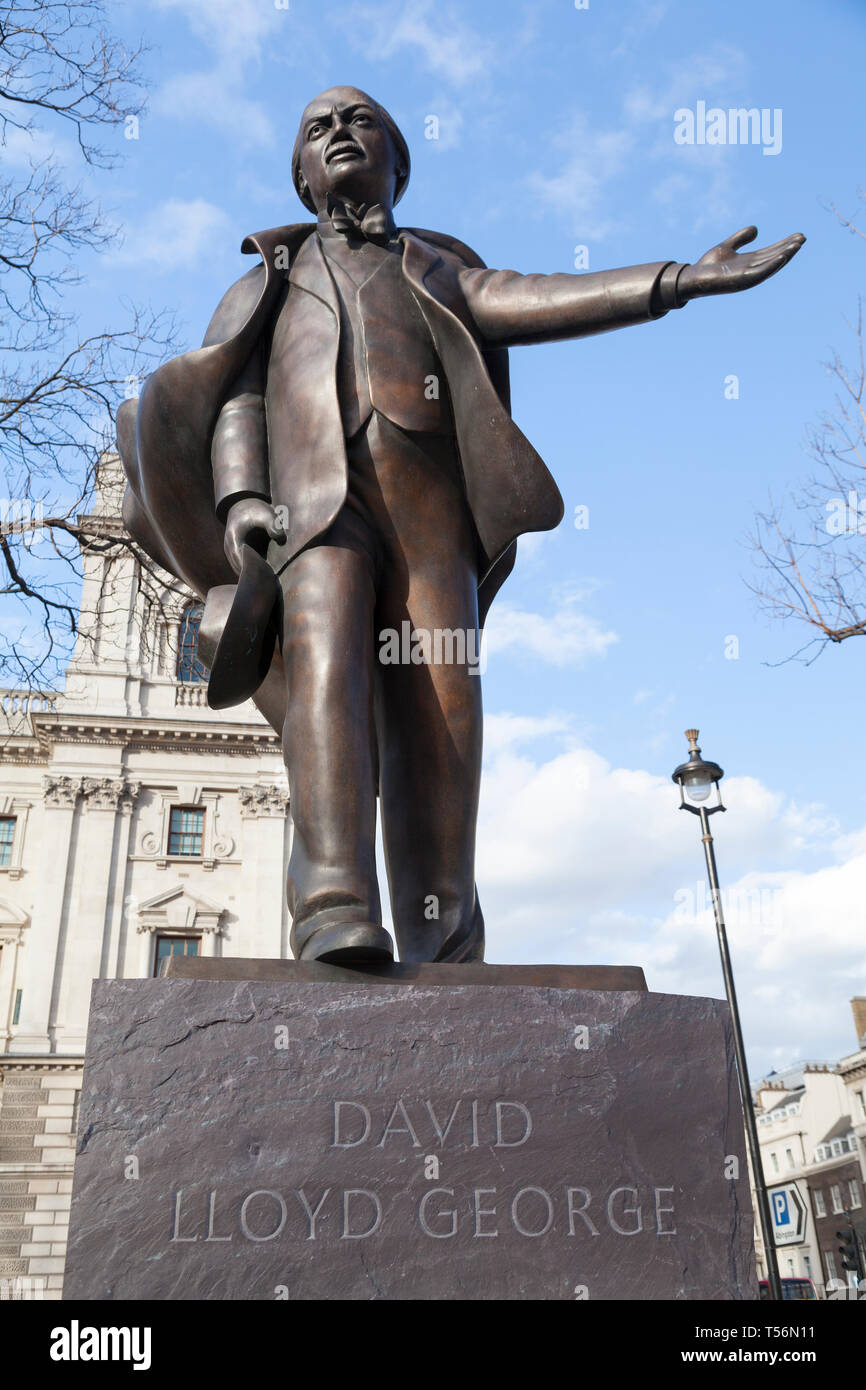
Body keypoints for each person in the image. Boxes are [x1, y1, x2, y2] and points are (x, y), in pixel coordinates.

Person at [118, 86, 804, 966]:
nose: (338, 132)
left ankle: (442, 935)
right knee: (328, 678)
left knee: (445, 713)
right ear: (298, 174)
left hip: (429, 515)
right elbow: (235, 401)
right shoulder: (269, 282)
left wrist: (674, 282)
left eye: (361, 121)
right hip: (312, 513)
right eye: (317, 127)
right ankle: (333, 905)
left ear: (399, 163)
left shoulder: (437, 269)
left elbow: (545, 298)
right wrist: (243, 501)